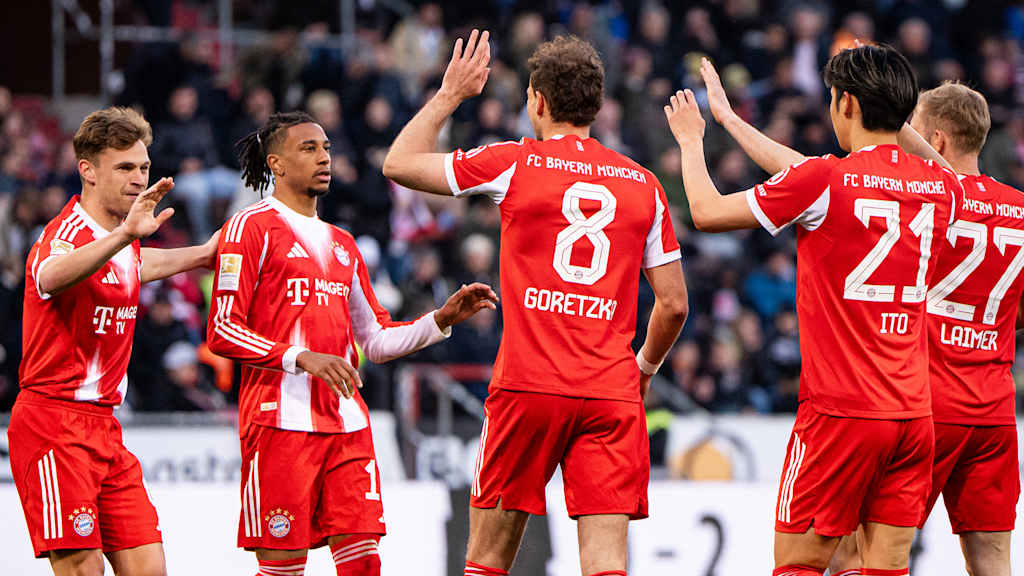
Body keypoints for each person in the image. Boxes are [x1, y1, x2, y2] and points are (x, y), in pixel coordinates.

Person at [383, 31, 690, 576]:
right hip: (609, 393)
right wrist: (642, 369)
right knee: (605, 564)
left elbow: (400, 164)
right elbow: (673, 305)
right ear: (595, 106)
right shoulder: (645, 186)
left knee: (488, 560)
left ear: (538, 102)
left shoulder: (514, 162)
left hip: (528, 387)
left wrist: (451, 93)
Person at [665, 45, 961, 576]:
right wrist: (732, 120)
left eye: (833, 99)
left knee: (798, 565)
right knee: (883, 567)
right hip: (913, 418)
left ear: (846, 104)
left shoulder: (826, 181)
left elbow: (706, 212)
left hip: (840, 416)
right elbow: (934, 171)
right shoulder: (939, 190)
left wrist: (693, 139)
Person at [207, 111, 497, 576]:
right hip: (279, 423)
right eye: (309, 149)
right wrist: (301, 357)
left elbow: (376, 341)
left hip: (346, 425)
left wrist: (440, 320)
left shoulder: (343, 243)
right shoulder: (250, 228)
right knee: (284, 567)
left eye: (326, 148)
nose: (324, 158)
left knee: (363, 562)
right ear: (276, 164)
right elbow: (222, 328)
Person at [7, 106, 219, 576]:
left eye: (143, 167)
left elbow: (136, 268)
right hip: (53, 424)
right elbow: (50, 275)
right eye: (124, 168)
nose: (138, 179)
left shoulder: (123, 238)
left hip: (105, 426)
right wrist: (125, 234)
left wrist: (203, 254)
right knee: (83, 570)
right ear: (88, 170)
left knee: (148, 568)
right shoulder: (66, 233)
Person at [828, 83, 1023, 576]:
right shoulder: (1020, 209)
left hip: (925, 403)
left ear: (934, 141)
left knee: (862, 552)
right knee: (992, 561)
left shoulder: (927, 204)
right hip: (995, 411)